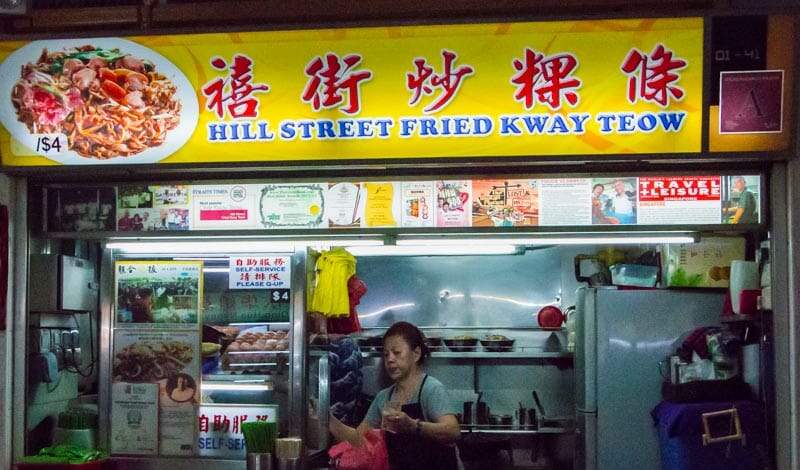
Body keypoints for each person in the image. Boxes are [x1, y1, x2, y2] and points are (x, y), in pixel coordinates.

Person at [329, 321, 462, 470]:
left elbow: (452, 431)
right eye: (386, 354)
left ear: (416, 354)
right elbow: (360, 439)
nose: (390, 359)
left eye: (397, 352)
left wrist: (413, 425)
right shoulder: (384, 397)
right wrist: (328, 420)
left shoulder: (430, 389)